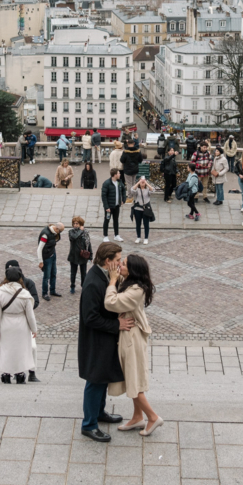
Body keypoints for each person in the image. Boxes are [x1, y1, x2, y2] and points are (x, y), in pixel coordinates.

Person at [78, 242, 130, 442]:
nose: (119, 263)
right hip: (95, 342)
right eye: (117, 260)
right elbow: (90, 317)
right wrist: (116, 324)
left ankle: (99, 413)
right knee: (95, 381)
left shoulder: (105, 276)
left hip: (104, 340)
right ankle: (89, 425)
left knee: (101, 380)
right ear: (107, 261)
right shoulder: (93, 282)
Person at [106, 253, 162, 434]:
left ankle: (153, 417)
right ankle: (138, 417)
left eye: (123, 264)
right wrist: (112, 270)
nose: (120, 266)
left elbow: (111, 302)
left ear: (133, 270)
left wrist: (112, 283)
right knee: (133, 377)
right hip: (130, 335)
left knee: (133, 380)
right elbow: (120, 276)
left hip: (131, 338)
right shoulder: (132, 282)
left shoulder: (136, 290)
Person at [0, 263, 39, 384]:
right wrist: (34, 329)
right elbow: (30, 315)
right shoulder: (25, 294)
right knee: (20, 349)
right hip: (21, 325)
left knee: (6, 349)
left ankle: (6, 374)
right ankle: (19, 374)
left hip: (5, 324)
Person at [66, 215, 92, 296]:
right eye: (74, 223)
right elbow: (74, 237)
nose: (75, 225)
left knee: (83, 272)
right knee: (73, 273)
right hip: (73, 255)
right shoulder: (71, 232)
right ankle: (72, 286)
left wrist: (90, 255)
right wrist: (80, 231)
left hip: (83, 255)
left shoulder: (86, 232)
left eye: (77, 223)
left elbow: (88, 244)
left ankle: (83, 285)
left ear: (81, 224)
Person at [36, 221, 63, 299]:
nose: (60, 233)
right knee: (46, 276)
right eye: (60, 231)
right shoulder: (45, 235)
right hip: (47, 258)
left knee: (53, 274)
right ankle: (44, 293)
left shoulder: (53, 233)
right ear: (57, 229)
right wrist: (40, 262)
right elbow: (39, 249)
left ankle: (52, 290)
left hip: (52, 255)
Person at [129, 174, 157, 244]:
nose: (142, 183)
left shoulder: (147, 190)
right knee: (138, 224)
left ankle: (146, 238)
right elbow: (132, 190)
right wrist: (138, 182)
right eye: (142, 182)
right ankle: (138, 237)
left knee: (146, 224)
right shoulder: (137, 190)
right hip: (137, 209)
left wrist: (146, 183)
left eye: (143, 182)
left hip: (146, 209)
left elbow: (153, 190)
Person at [101, 167, 126, 238]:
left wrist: (123, 199)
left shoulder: (119, 182)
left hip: (117, 205)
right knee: (107, 220)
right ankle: (105, 236)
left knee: (116, 220)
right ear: (115, 175)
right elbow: (104, 196)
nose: (120, 174)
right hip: (109, 206)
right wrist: (106, 207)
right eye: (118, 173)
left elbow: (124, 190)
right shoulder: (107, 183)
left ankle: (116, 235)